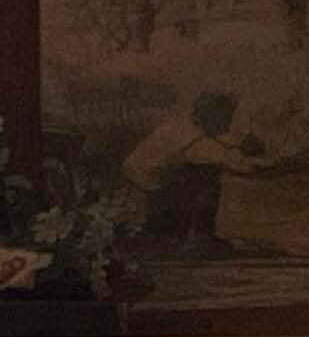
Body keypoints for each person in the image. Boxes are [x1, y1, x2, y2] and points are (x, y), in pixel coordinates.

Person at [120, 92, 297, 250]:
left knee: (201, 171)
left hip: (140, 184)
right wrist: (288, 165)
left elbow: (218, 145)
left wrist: (240, 146)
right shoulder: (194, 142)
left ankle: (171, 233)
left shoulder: (180, 126)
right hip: (151, 192)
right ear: (213, 115)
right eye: (226, 116)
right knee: (207, 175)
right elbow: (238, 165)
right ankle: (199, 237)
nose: (229, 122)